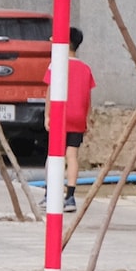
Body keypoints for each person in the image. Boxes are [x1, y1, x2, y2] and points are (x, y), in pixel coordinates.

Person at [44, 27, 95, 213]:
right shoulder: (85, 68)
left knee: (54, 155)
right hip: (78, 116)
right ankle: (70, 196)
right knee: (72, 156)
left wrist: (47, 114)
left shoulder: (56, 64)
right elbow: (88, 96)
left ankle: (50, 194)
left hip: (60, 114)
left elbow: (50, 91)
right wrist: (87, 119)